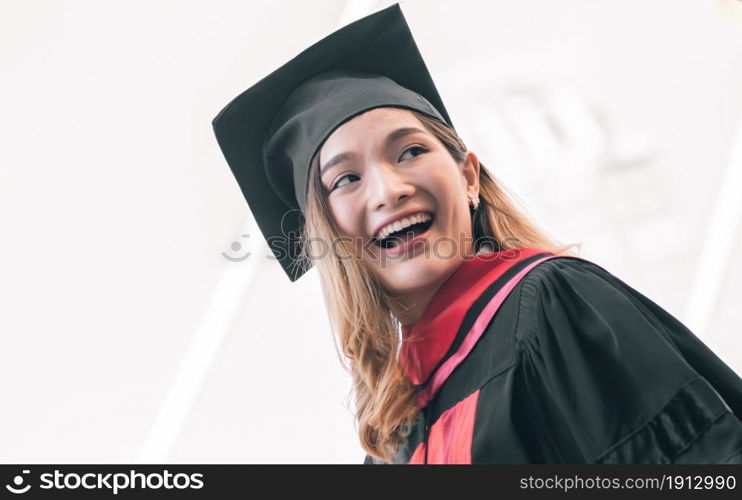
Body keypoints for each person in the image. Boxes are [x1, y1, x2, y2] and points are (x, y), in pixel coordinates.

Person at [211, 3, 742, 464]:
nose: (388, 190)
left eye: (411, 150)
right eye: (346, 179)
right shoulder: (393, 435)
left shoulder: (554, 307)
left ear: (468, 176)